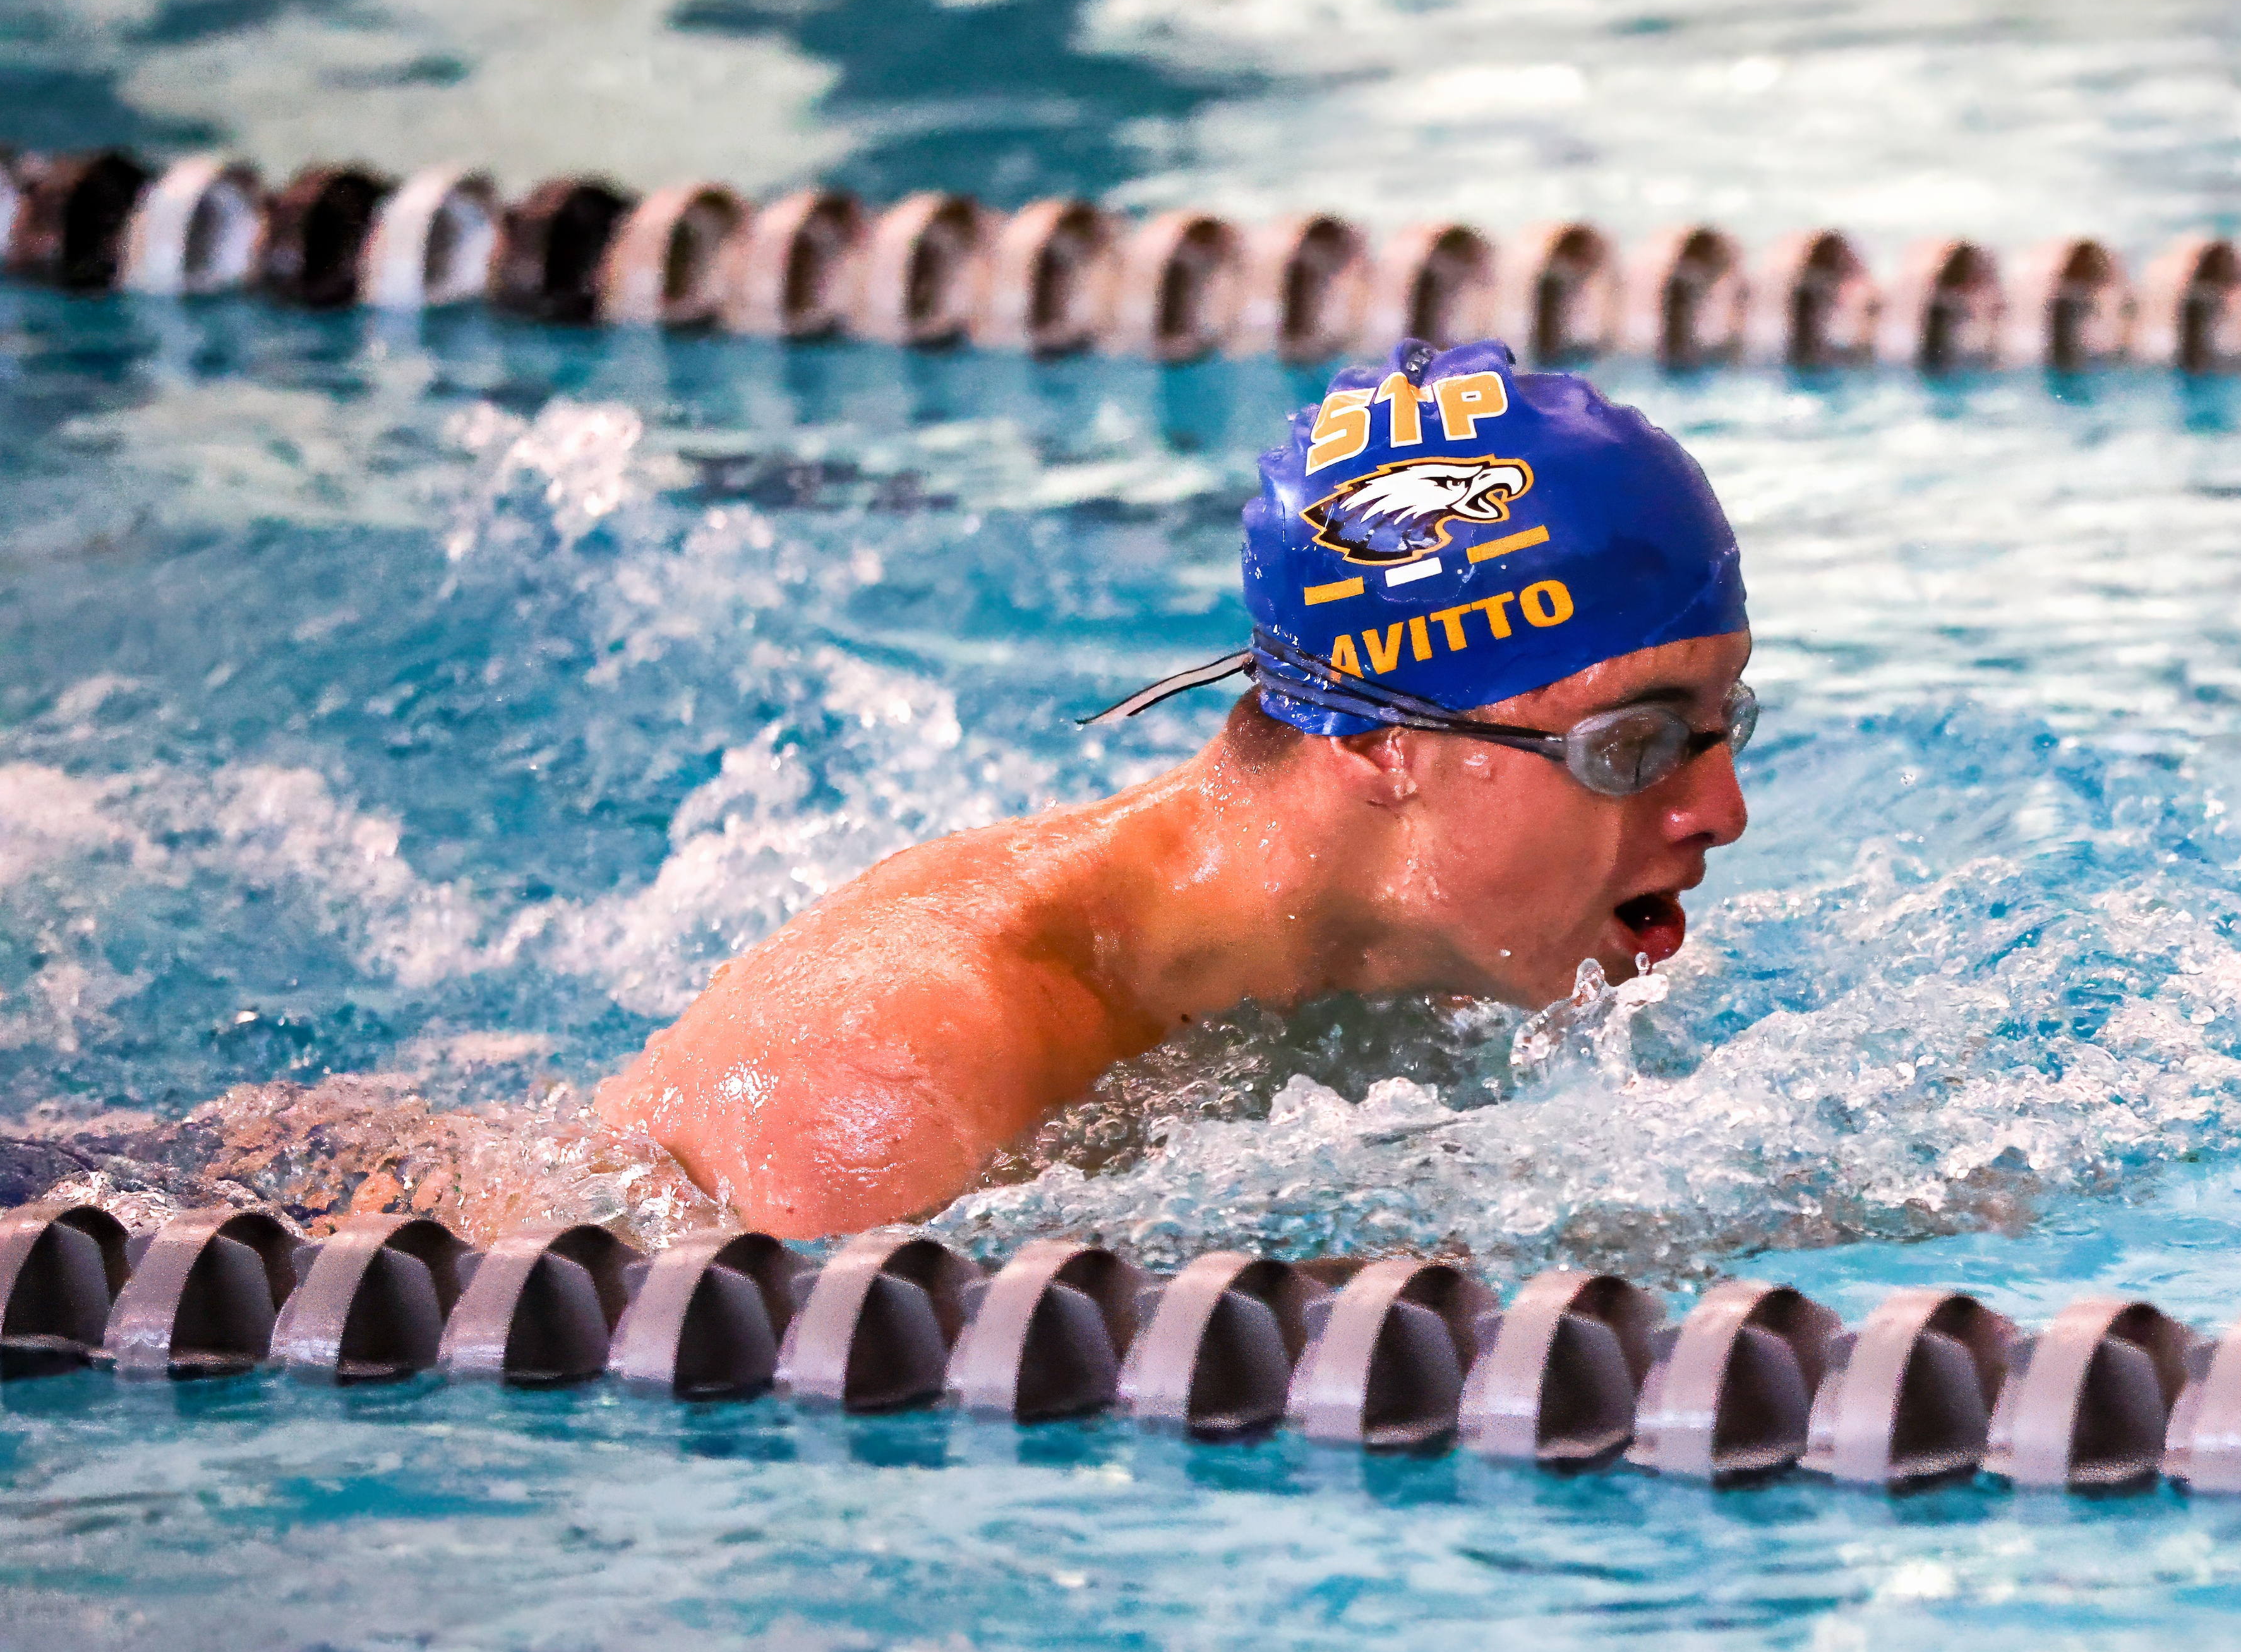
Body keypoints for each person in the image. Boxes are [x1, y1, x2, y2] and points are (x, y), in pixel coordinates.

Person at [596, 338, 1753, 1238]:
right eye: (1633, 747)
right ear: (1376, 738)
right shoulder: (900, 1083)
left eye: (1722, 723)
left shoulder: (1437, 956)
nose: (1721, 813)